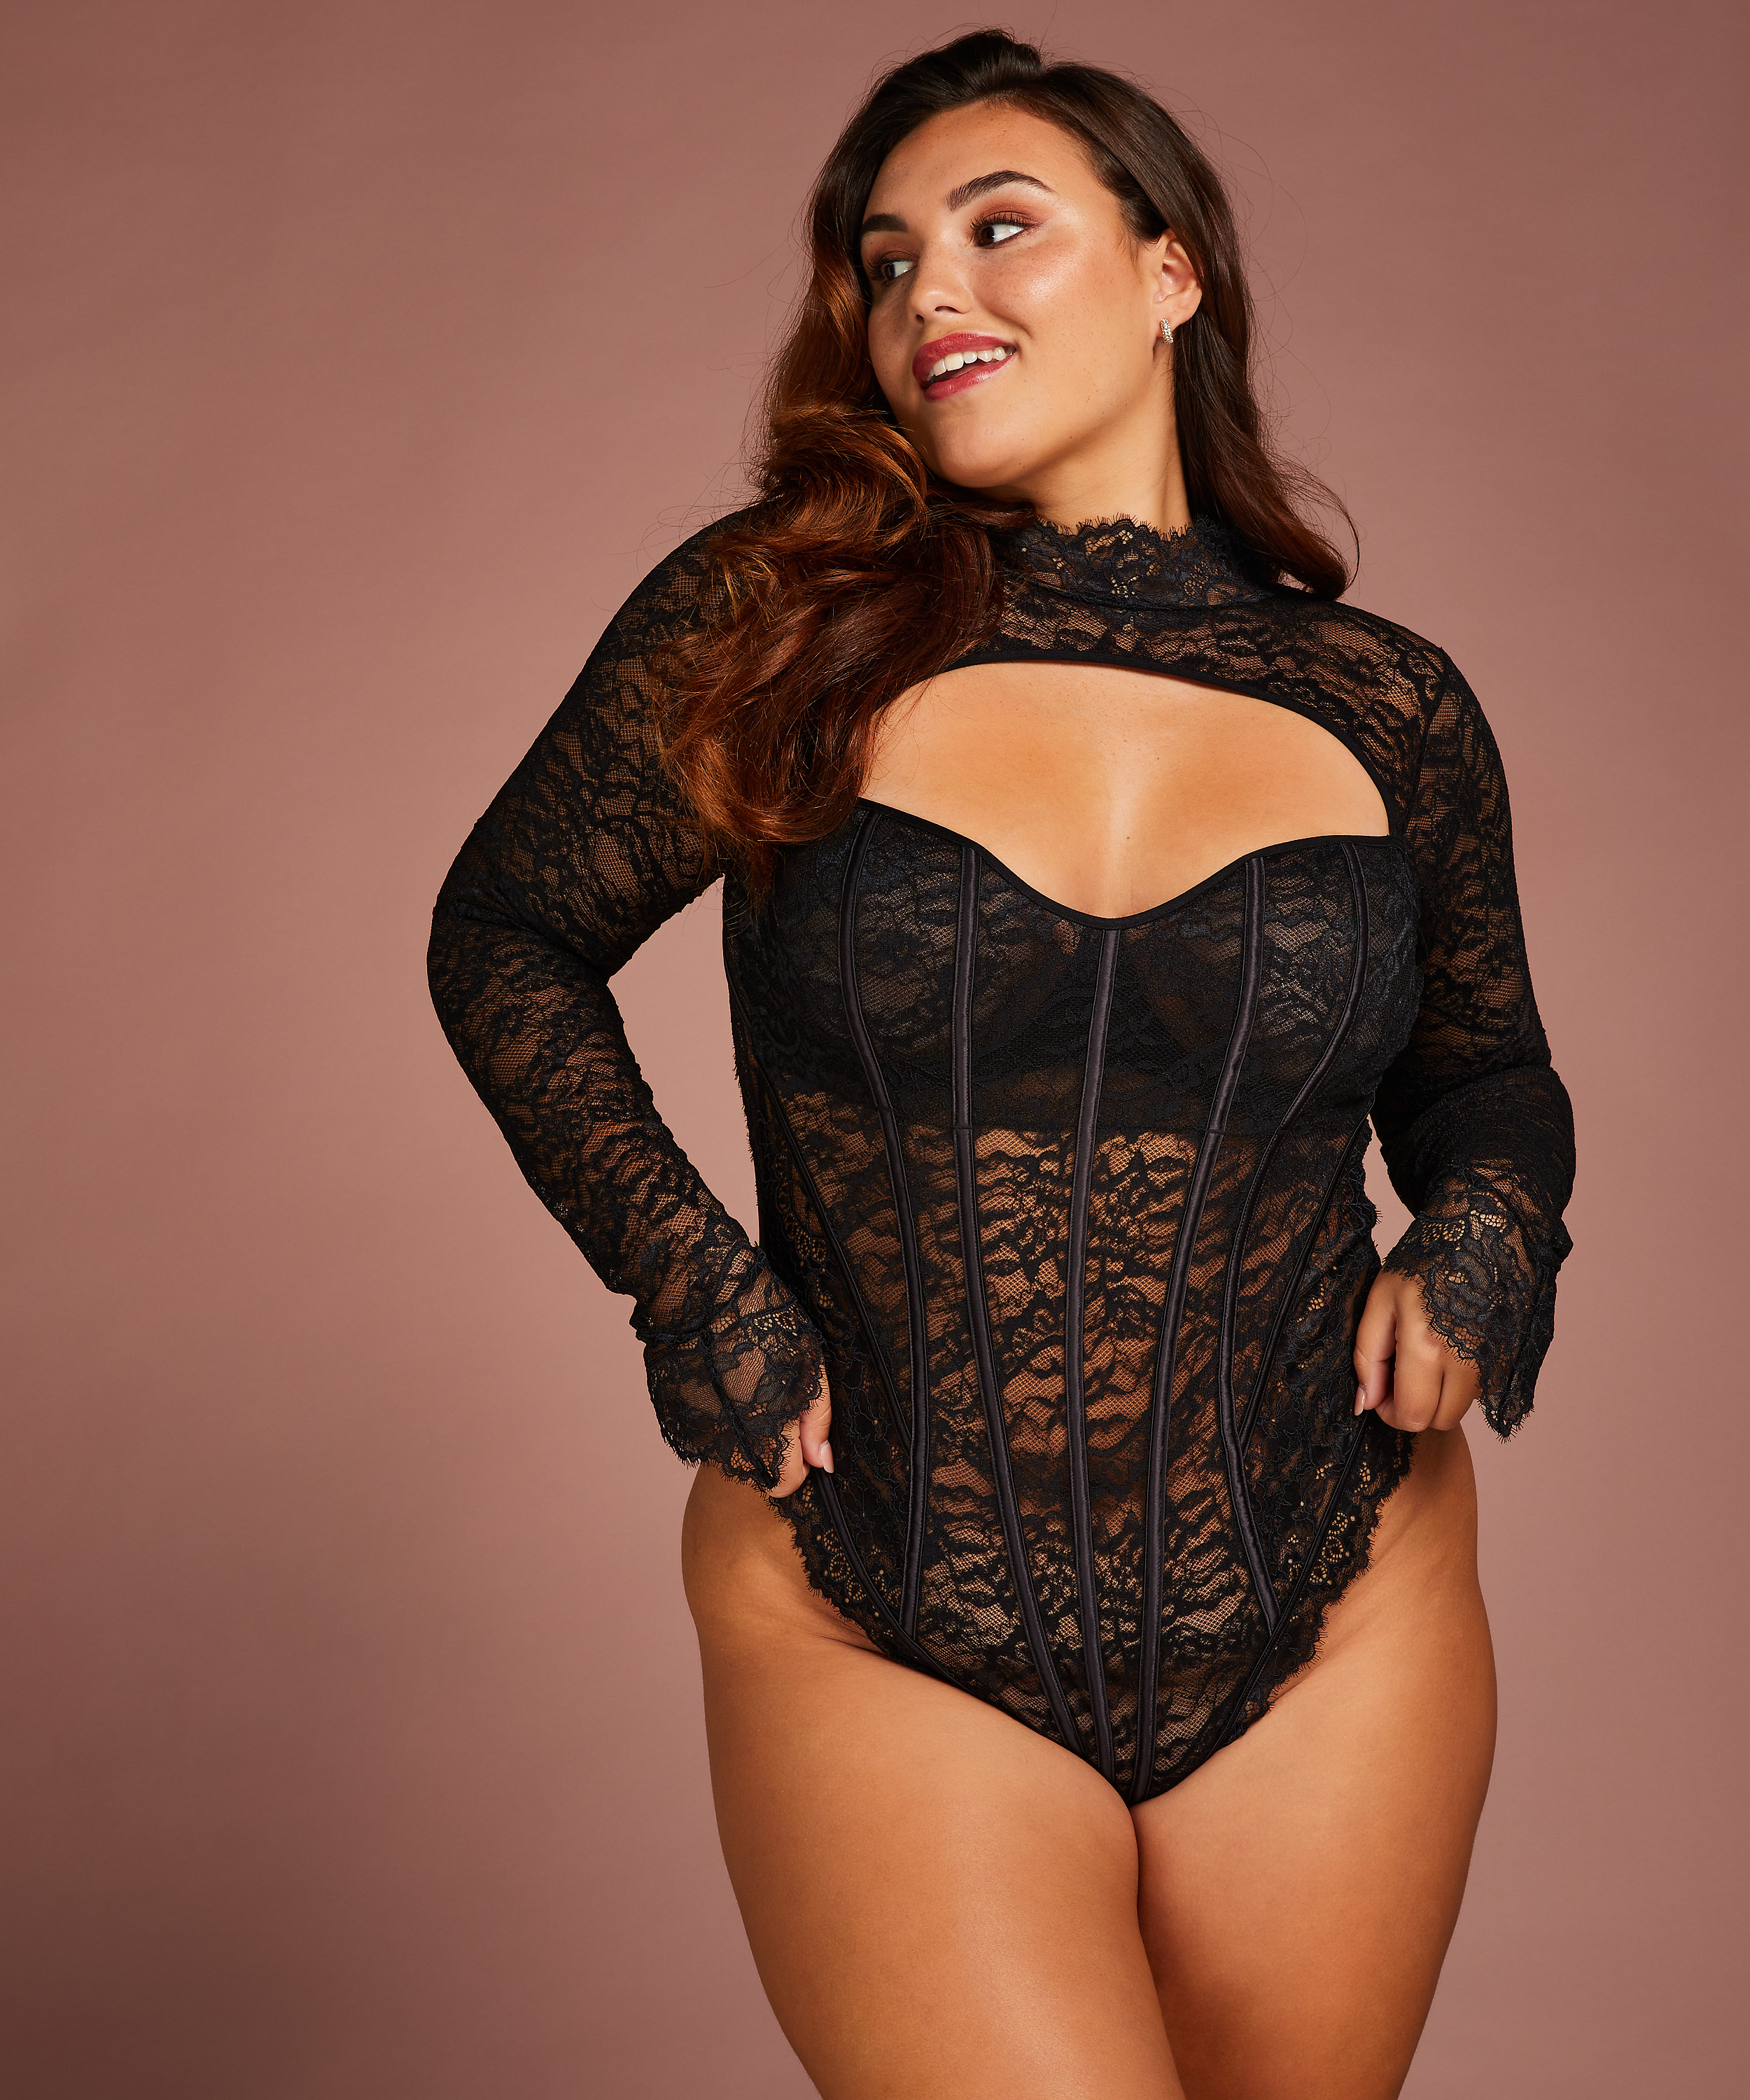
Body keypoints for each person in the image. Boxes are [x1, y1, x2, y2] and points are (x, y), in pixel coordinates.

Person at [427, 30, 1574, 2100]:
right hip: (872, 1587)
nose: (925, 295)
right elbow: (507, 934)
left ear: (1170, 270)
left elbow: (1485, 1073)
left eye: (997, 229)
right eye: (884, 263)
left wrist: (1486, 1228)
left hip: (1339, 1600)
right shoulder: (780, 624)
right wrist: (692, 1279)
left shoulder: (1391, 707)